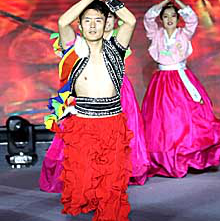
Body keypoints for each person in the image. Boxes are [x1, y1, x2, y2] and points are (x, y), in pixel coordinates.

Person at [53, 0, 136, 221]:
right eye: (87, 20)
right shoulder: (74, 49)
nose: (91, 25)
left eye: (97, 20)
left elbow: (130, 21)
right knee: (86, 183)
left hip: (112, 125)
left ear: (105, 24)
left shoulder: (116, 48)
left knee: (111, 187)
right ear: (81, 24)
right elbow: (62, 22)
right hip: (83, 126)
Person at [40, 14, 150, 192]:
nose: (106, 22)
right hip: (88, 94)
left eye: (108, 18)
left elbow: (129, 22)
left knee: (123, 130)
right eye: (99, 19)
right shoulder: (83, 42)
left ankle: (119, 171)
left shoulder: (118, 39)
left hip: (118, 91)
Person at [142, 0, 220, 178]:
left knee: (186, 117)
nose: (169, 19)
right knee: (164, 120)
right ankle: (167, 158)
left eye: (173, 16)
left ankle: (187, 157)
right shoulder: (156, 34)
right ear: (161, 19)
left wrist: (179, 3)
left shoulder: (184, 34)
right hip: (162, 81)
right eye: (165, 16)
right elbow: (147, 19)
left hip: (181, 79)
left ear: (178, 18)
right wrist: (163, 3)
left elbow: (193, 20)